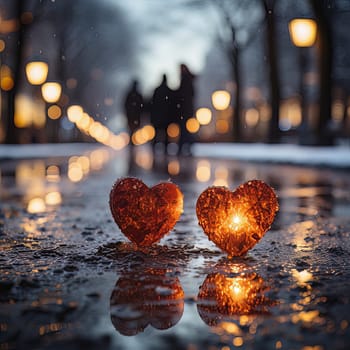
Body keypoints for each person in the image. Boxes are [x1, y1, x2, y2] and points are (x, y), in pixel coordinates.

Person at [150, 74, 174, 152]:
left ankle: (154, 147)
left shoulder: (157, 90)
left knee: (156, 133)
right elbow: (171, 105)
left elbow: (152, 104)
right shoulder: (169, 91)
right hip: (166, 117)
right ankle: (165, 148)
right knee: (166, 133)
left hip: (158, 116)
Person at [175, 64, 195, 154]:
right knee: (185, 128)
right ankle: (187, 145)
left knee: (183, 128)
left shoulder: (185, 80)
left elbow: (182, 95)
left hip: (184, 110)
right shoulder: (188, 80)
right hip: (187, 109)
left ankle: (183, 146)